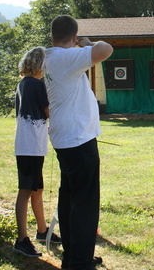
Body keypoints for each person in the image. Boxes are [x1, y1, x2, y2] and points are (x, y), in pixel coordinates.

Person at [43, 15, 113, 270]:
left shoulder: (50, 57)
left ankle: (74, 255)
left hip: (67, 138)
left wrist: (77, 45)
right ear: (73, 37)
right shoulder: (66, 57)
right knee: (85, 202)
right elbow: (106, 49)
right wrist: (87, 43)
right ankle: (80, 262)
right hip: (78, 139)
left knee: (70, 197)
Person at [13, 46, 61, 257]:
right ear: (41, 65)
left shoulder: (24, 83)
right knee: (26, 190)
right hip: (30, 146)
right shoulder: (36, 84)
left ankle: (42, 231)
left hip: (30, 144)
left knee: (37, 189)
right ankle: (21, 240)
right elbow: (49, 111)